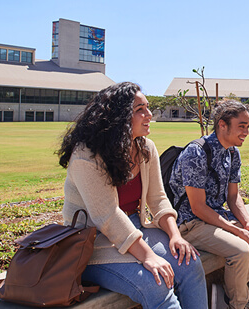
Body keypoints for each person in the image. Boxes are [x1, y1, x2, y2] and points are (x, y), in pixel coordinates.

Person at [58, 82, 207, 309]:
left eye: (147, 107)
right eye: (140, 110)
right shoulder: (86, 155)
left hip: (134, 227)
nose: (149, 114)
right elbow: (106, 216)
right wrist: (148, 256)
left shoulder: (146, 147)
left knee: (190, 264)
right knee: (155, 283)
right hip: (92, 241)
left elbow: (157, 199)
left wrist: (175, 235)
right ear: (118, 116)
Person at [169, 99, 249, 309]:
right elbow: (197, 208)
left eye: (248, 127)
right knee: (241, 251)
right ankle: (236, 305)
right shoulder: (196, 153)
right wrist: (237, 232)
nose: (246, 132)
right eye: (242, 126)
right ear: (222, 124)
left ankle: (227, 295)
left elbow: (233, 197)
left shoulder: (232, 152)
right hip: (191, 223)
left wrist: (246, 223)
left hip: (218, 217)